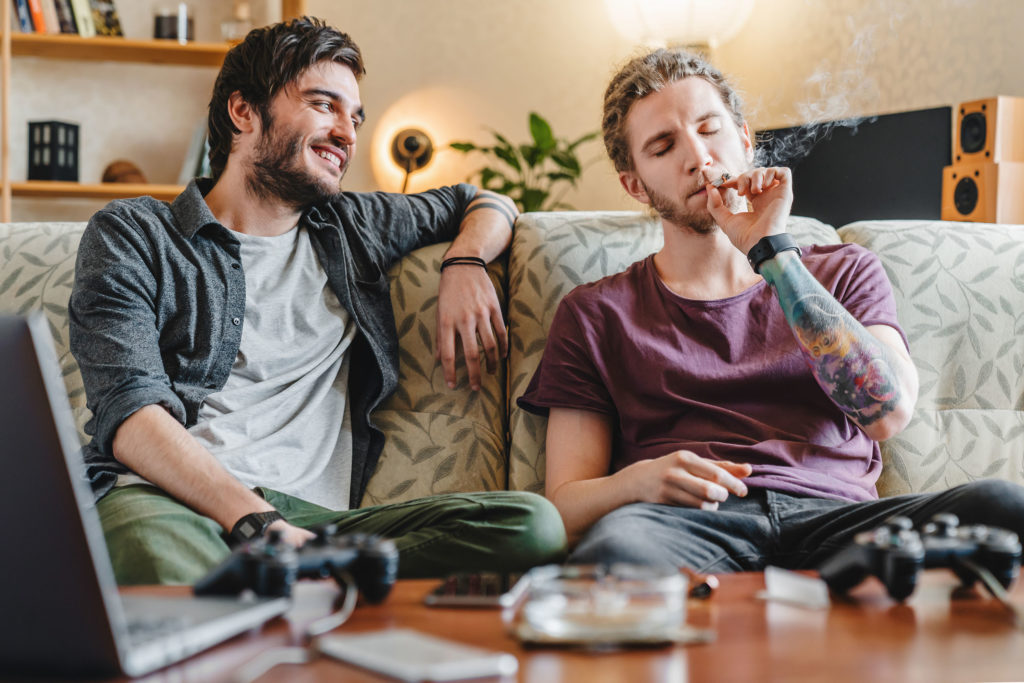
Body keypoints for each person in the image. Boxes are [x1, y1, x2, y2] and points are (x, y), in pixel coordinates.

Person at [69, 17, 566, 585]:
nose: (348, 133)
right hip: (169, 501)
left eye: (354, 117)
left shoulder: (355, 226)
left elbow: (483, 200)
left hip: (316, 528)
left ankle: (286, 589)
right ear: (243, 111)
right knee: (152, 548)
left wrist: (466, 261)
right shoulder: (136, 233)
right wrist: (255, 521)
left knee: (531, 525)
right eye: (324, 104)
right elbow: (129, 411)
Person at [518, 47, 1024, 573]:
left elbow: (887, 413)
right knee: (613, 555)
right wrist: (636, 482)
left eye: (710, 129)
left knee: (1003, 509)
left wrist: (774, 254)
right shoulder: (596, 313)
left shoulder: (844, 272)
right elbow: (564, 509)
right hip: (683, 524)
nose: (698, 157)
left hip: (838, 522)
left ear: (743, 140)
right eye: (664, 146)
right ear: (634, 184)